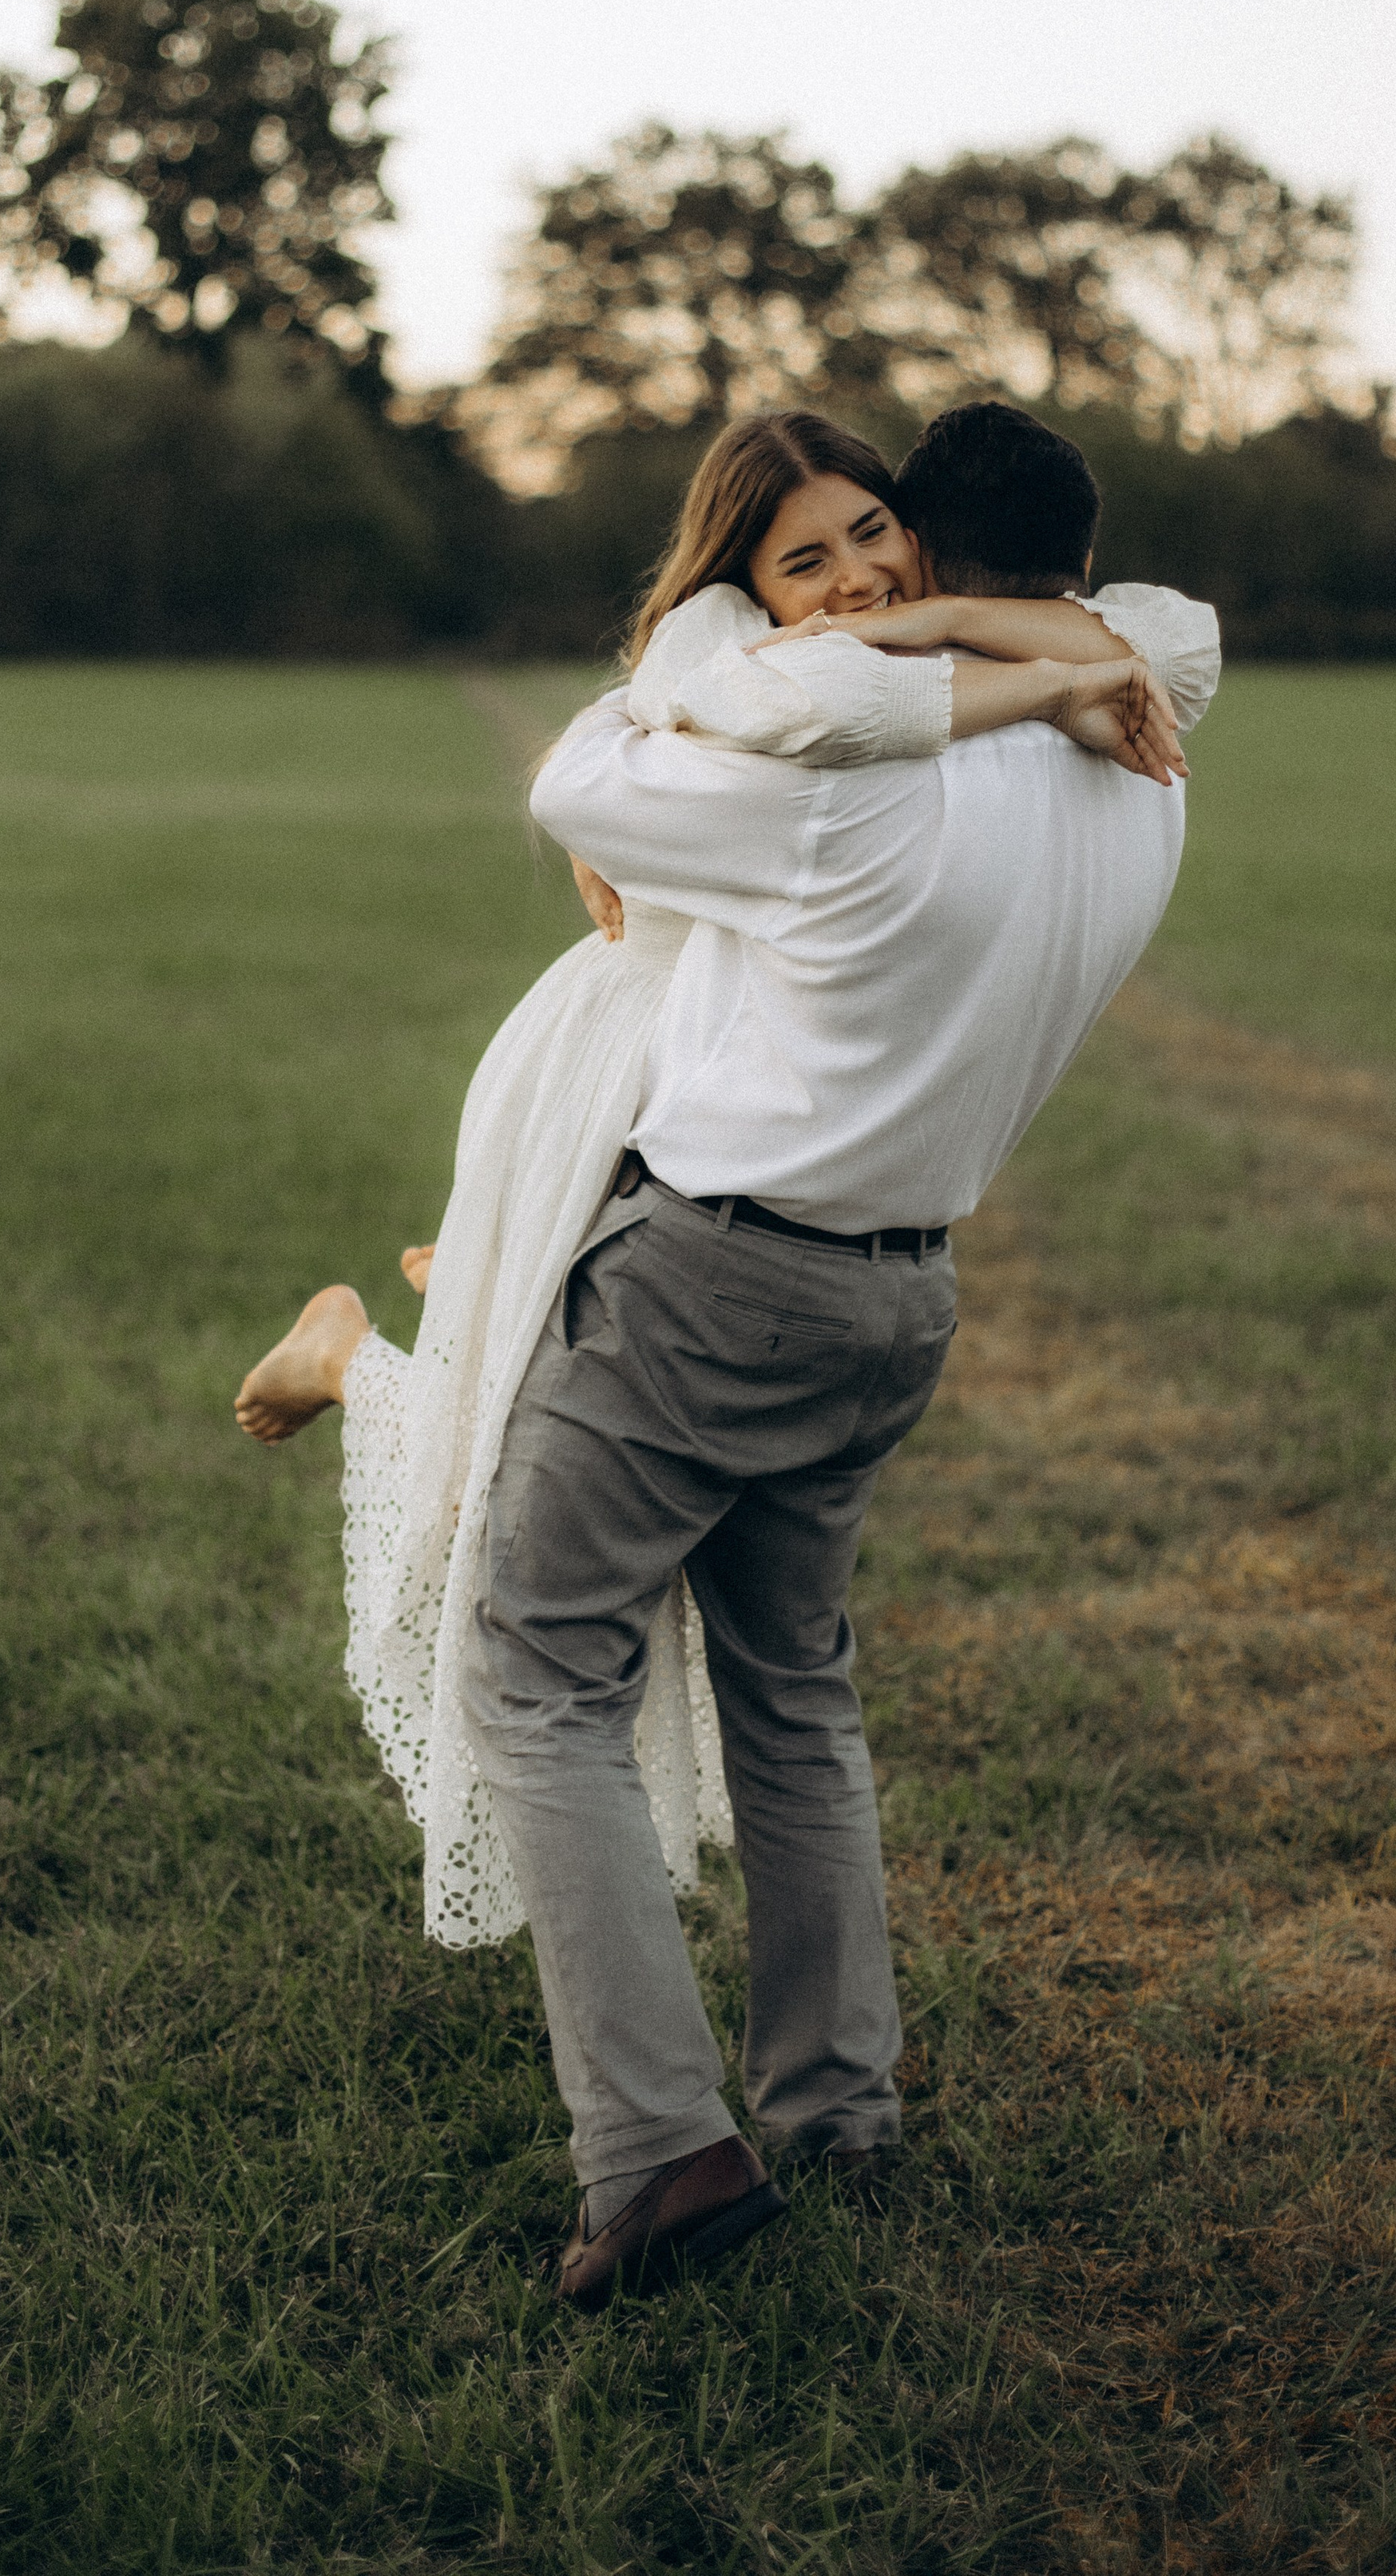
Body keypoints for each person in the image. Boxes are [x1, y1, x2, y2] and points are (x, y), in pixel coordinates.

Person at [236, 413, 1211, 1960]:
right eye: (801, 559)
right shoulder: (1137, 762)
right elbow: (688, 719)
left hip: (709, 1209)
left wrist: (964, 646)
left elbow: (599, 781)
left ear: (925, 539)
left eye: (871, 540)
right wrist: (1020, 655)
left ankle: (378, 1346)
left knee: (538, 1615)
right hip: (758, 1186)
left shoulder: (869, 750)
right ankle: (833, 2106)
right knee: (774, 1677)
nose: (846, 583)